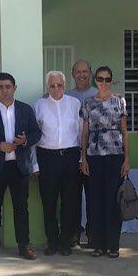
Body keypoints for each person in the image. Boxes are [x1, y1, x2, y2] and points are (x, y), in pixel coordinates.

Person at [0, 72, 41, 260]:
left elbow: (36, 132)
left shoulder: (25, 110)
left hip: (19, 167)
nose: (5, 90)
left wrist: (26, 140)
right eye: (1, 87)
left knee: (21, 208)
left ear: (14, 88)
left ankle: (24, 245)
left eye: (8, 87)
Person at [79, 66, 130, 258]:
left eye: (107, 79)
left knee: (113, 200)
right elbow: (85, 133)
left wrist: (127, 159)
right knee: (95, 201)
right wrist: (83, 158)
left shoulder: (119, 101)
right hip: (93, 154)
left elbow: (124, 132)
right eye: (100, 79)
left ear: (111, 80)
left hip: (115, 154)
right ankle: (98, 244)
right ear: (95, 80)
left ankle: (113, 245)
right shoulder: (88, 103)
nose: (103, 82)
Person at [33, 71, 83, 256]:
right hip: (47, 157)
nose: (56, 89)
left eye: (59, 85)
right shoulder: (39, 105)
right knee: (49, 202)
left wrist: (81, 158)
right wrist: (35, 164)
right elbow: (33, 137)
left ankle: (65, 242)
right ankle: (52, 241)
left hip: (70, 157)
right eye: (52, 86)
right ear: (48, 87)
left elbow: (80, 133)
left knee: (69, 203)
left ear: (64, 85)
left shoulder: (74, 103)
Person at [65, 60, 96, 247]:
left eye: (85, 71)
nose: (82, 74)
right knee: (72, 197)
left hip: (94, 153)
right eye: (78, 71)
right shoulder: (66, 95)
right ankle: (73, 235)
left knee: (93, 197)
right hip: (72, 153)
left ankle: (93, 234)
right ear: (72, 74)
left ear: (90, 73)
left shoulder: (97, 95)